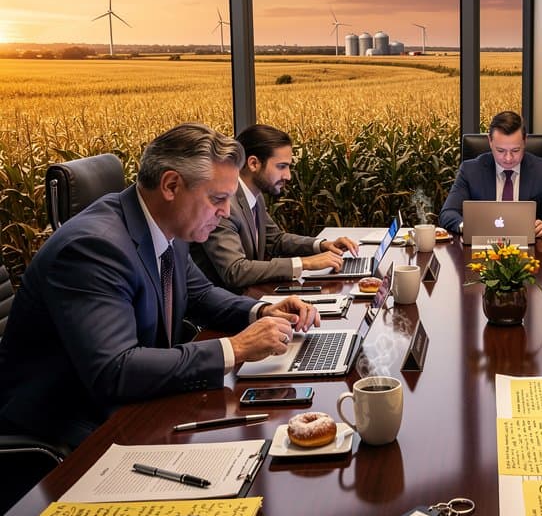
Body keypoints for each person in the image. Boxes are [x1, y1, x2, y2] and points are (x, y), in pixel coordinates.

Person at [0, 123, 320, 449]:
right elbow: (116, 369)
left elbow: (200, 293)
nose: (225, 212)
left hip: (133, 405)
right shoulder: (93, 248)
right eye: (218, 199)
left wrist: (261, 310)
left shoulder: (167, 224)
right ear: (171, 185)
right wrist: (234, 349)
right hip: (68, 427)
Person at [192, 124, 359, 291]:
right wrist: (305, 263)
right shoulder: (225, 205)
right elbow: (235, 270)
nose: (288, 176)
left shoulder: (254, 197)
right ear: (253, 163)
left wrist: (322, 245)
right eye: (281, 166)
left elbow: (276, 240)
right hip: (223, 310)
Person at [439, 111, 542, 237]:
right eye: (501, 150)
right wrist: (467, 227)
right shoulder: (470, 170)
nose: (508, 158)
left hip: (532, 251)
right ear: (490, 141)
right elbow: (448, 213)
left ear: (525, 141)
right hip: (481, 249)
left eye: (515, 150)